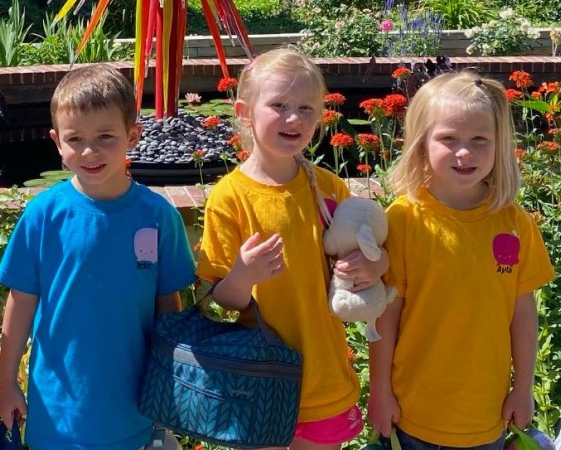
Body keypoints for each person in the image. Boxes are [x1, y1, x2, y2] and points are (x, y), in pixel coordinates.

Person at [196, 47, 389, 450]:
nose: (293, 118)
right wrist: (244, 275)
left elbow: (367, 258)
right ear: (245, 112)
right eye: (279, 105)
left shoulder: (328, 187)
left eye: (306, 108)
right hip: (261, 377)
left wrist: (375, 265)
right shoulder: (230, 197)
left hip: (323, 373)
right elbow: (222, 301)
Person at [0, 64, 195, 449]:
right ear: (57, 141)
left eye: (106, 136)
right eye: (75, 138)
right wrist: (5, 381)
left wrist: (174, 386)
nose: (89, 151)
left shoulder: (157, 216)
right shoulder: (43, 215)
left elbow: (169, 307)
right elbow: (21, 302)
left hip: (134, 406)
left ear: (132, 136)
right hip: (56, 411)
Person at [368, 71, 556, 449]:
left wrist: (523, 389)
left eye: (479, 140)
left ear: (499, 144)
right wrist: (379, 391)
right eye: (448, 139)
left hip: (486, 415)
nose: (464, 152)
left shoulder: (514, 222)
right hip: (413, 412)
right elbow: (386, 314)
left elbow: (523, 313)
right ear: (422, 144)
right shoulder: (403, 220)